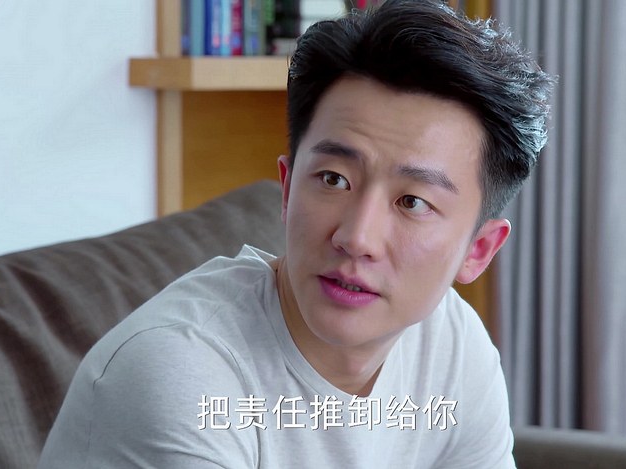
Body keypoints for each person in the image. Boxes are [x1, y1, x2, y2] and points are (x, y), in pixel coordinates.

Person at [39, 0, 554, 467]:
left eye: (412, 202)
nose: (356, 237)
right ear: (286, 190)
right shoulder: (181, 372)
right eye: (334, 179)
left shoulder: (452, 345)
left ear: (478, 250)